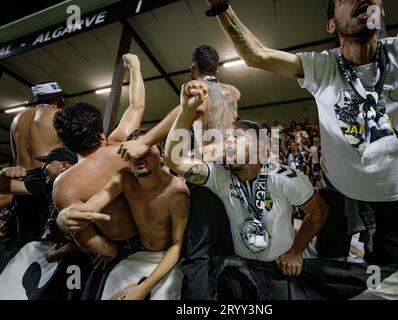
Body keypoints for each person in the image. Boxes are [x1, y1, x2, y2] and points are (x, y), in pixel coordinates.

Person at [203, 0, 398, 264]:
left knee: (390, 276)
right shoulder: (323, 67)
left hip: (394, 196)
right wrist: (220, 6)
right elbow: (256, 55)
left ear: (382, 10)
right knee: (333, 266)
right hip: (339, 193)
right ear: (331, 24)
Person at [164, 82, 328, 291]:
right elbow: (173, 159)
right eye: (226, 138)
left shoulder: (284, 178)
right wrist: (186, 110)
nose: (229, 142)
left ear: (260, 145)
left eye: (238, 137)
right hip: (242, 272)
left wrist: (296, 251)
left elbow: (319, 212)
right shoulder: (220, 177)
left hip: (279, 271)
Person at [117, 45, 241, 299]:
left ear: (192, 69)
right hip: (231, 176)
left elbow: (193, 106)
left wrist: (146, 140)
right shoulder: (233, 92)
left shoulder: (197, 90)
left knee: (196, 257)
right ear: (218, 68)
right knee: (227, 247)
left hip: (205, 178)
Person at [52, 53, 146, 298]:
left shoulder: (65, 186)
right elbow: (137, 105)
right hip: (152, 238)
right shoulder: (123, 146)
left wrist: (110, 251)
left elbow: (91, 241)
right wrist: (134, 67)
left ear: (69, 145)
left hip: (119, 250)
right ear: (101, 132)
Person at [76, 128, 189, 300]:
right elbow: (93, 204)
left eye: (147, 149)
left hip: (168, 257)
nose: (139, 156)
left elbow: (177, 246)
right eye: (134, 151)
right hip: (138, 250)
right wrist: (69, 215)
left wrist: (143, 288)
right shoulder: (124, 178)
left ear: (162, 155)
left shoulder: (177, 193)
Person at [0, 147, 84, 299]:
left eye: (48, 163)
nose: (43, 167)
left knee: (73, 292)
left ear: (64, 166)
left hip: (74, 257)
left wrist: (64, 251)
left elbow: (97, 230)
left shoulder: (85, 188)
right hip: (47, 252)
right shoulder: (46, 185)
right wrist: (3, 174)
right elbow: (5, 187)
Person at [9, 80, 66, 243]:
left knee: (27, 240)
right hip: (46, 181)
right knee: (52, 239)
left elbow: (15, 157)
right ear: (58, 97)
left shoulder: (17, 119)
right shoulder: (59, 115)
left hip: (23, 182)